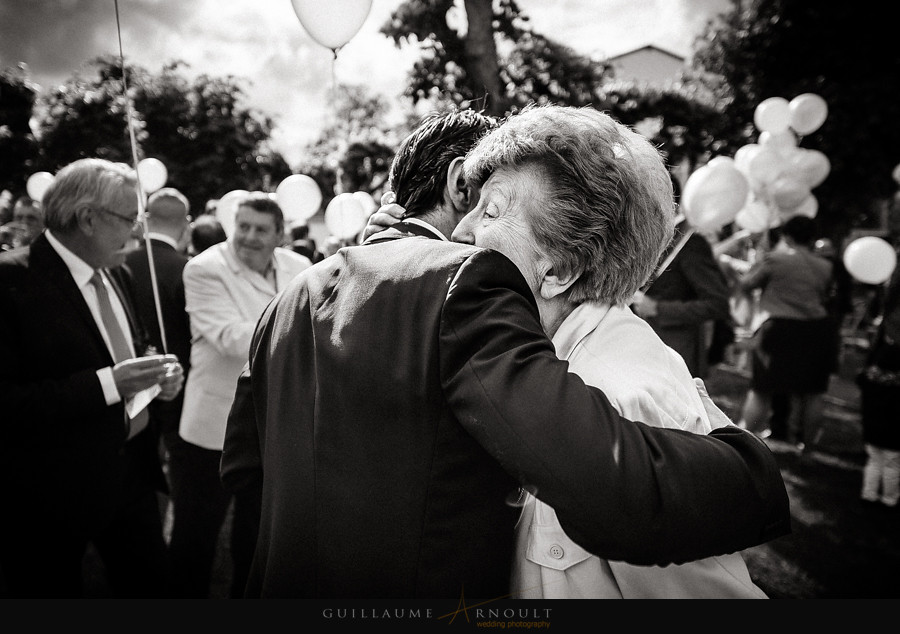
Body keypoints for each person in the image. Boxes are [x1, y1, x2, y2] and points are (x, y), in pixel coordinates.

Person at [221, 108, 790, 599]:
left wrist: (755, 467)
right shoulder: (502, 337)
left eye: (490, 211)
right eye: (472, 203)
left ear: (561, 270)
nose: (463, 232)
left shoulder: (619, 390)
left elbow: (247, 476)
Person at [0, 158, 184, 598]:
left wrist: (156, 377)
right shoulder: (10, 280)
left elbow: (129, 347)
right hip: (50, 493)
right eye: (129, 219)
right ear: (87, 218)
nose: (138, 232)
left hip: (132, 475)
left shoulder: (116, 271)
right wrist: (108, 385)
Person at [170, 191, 311, 598]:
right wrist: (307, 333)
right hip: (212, 424)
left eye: (260, 229)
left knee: (256, 535)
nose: (248, 237)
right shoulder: (204, 268)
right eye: (242, 226)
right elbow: (231, 338)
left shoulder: (299, 266)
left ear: (280, 234)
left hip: (273, 425)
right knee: (195, 535)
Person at [727, 215, 834, 448]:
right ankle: (808, 449)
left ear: (786, 236)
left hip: (777, 328)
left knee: (761, 389)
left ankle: (743, 442)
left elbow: (747, 284)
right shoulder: (825, 266)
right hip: (815, 329)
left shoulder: (775, 260)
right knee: (813, 392)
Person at [122, 188, 193, 480]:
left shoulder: (119, 263)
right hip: (177, 383)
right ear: (186, 223)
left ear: (146, 219)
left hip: (127, 378)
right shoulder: (188, 269)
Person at [630, 176, 731, 379]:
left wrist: (658, 308)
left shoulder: (691, 243)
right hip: (638, 347)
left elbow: (717, 303)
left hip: (674, 353)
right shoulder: (643, 236)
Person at [857, 243, 900, 508]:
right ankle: (889, 497)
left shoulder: (876, 366)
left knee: (875, 455)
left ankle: (869, 494)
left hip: (875, 411)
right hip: (892, 413)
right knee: (893, 459)